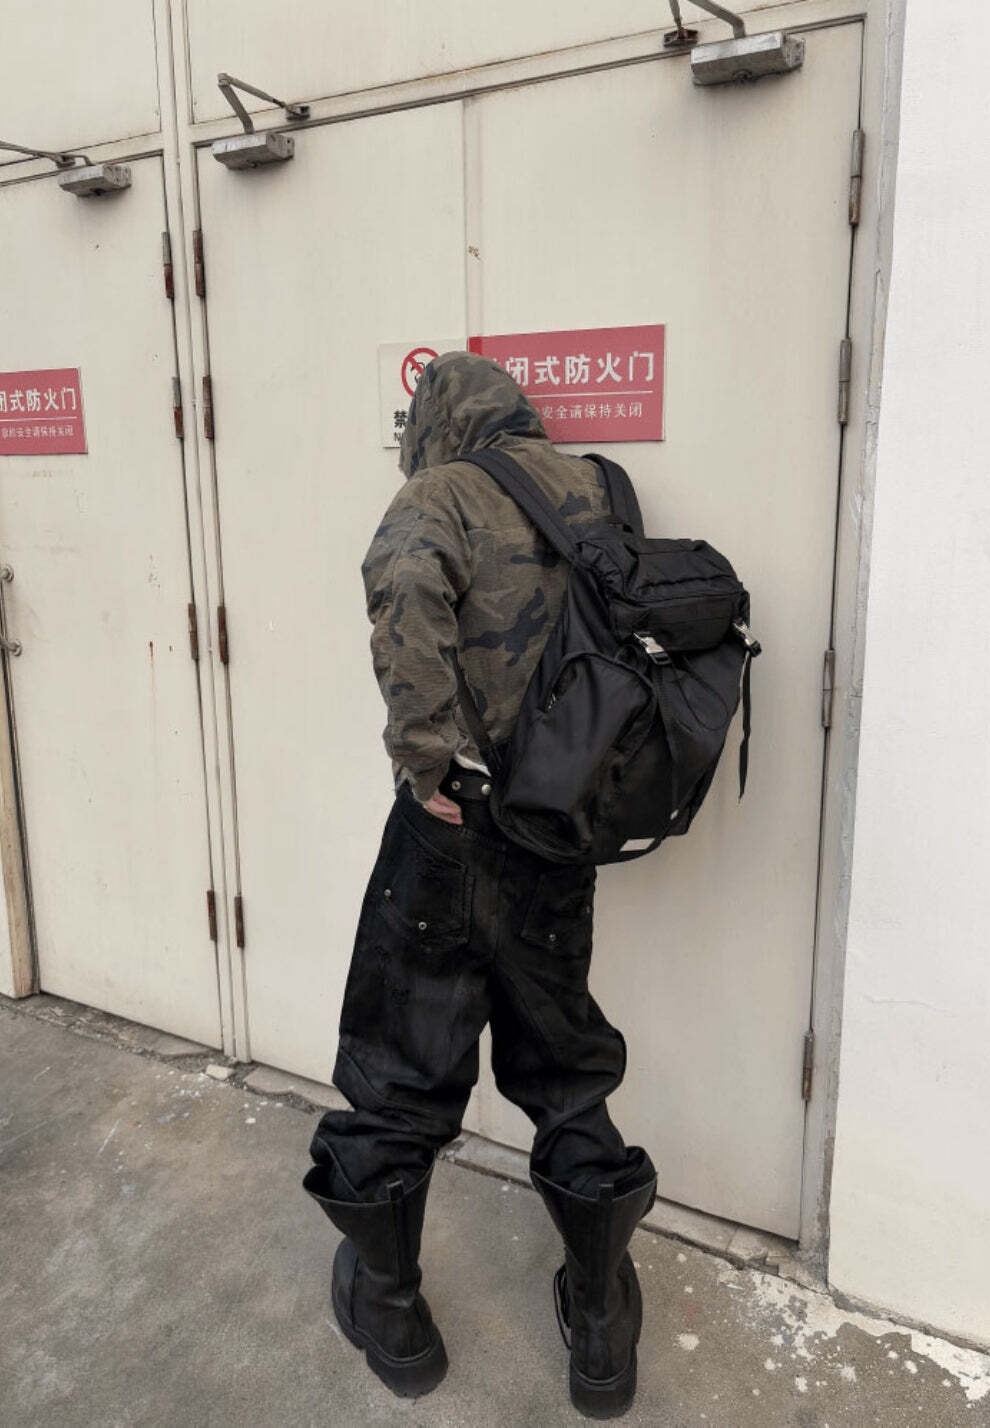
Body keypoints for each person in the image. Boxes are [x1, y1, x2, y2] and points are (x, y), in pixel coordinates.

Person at [303, 351, 657, 1418]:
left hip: (455, 829)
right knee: (564, 1070)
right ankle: (599, 1327)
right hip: (560, 825)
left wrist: (425, 762)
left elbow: (404, 595)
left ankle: (394, 1316)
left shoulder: (439, 494)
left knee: (401, 1069)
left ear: (435, 422)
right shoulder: (598, 489)